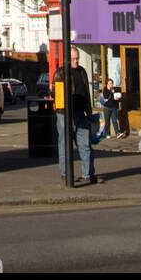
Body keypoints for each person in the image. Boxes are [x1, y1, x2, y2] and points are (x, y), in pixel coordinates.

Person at [53, 48, 102, 186]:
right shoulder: (60, 73)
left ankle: (88, 174)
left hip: (81, 113)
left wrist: (89, 110)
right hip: (65, 114)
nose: (76, 61)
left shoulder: (82, 71)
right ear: (67, 59)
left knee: (85, 144)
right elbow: (54, 92)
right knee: (64, 143)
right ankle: (65, 174)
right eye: (73, 59)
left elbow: (86, 91)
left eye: (77, 58)